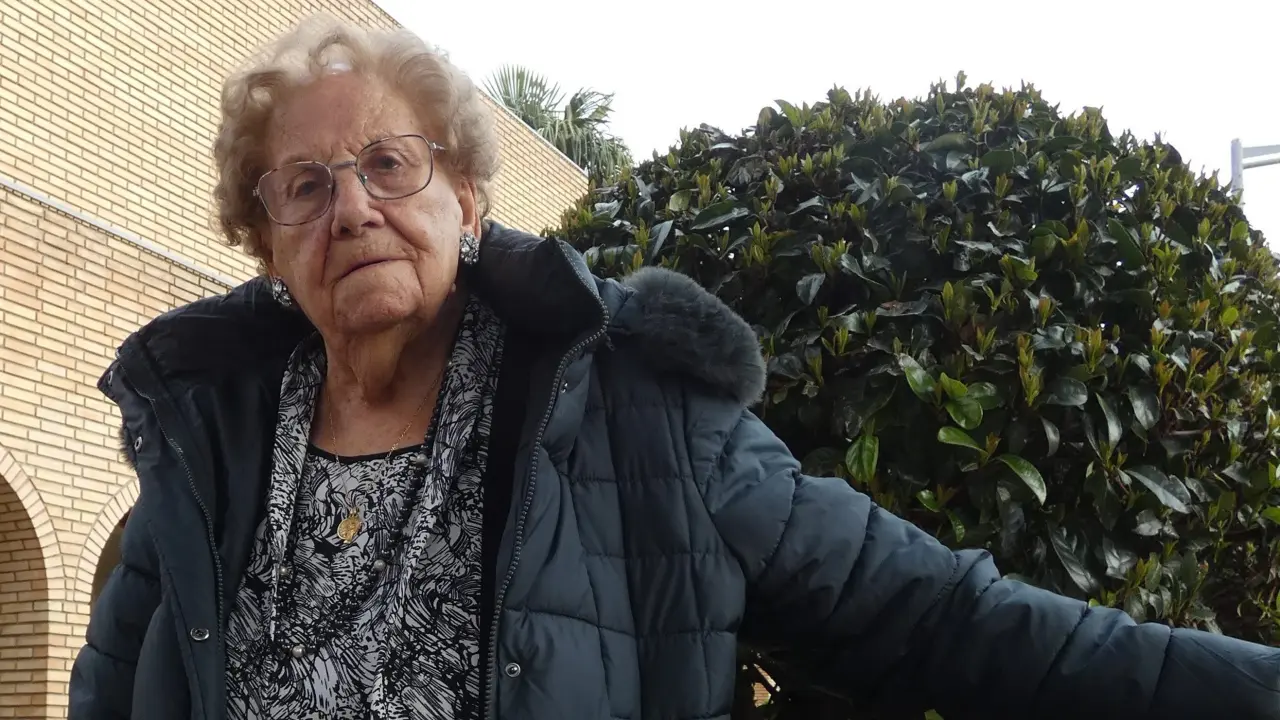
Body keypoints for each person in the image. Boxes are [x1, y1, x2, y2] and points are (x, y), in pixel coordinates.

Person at [68, 13, 1280, 720]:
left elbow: (939, 617)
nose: (351, 208)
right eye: (304, 185)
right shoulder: (201, 452)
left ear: (469, 198)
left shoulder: (634, 410)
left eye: (390, 164)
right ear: (265, 239)